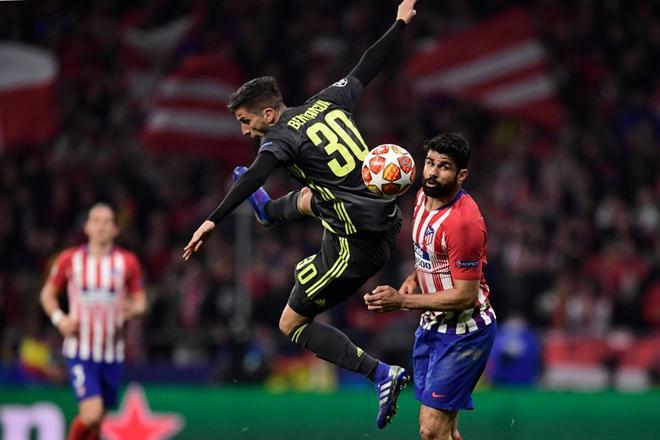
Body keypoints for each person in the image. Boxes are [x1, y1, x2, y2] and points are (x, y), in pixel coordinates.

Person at [183, 0, 419, 429]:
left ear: (269, 114)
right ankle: (271, 214)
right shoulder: (327, 101)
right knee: (314, 193)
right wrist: (400, 22)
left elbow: (255, 174)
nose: (244, 130)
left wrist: (213, 219)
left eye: (245, 120)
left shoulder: (279, 139)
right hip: (374, 211)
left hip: (357, 243)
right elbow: (368, 65)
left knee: (290, 322)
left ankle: (380, 373)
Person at [364, 133, 497, 440]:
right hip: (432, 327)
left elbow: (465, 297)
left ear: (461, 174)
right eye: (430, 163)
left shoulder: (463, 223)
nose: (433, 173)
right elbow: (429, 252)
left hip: (465, 333)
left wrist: (400, 302)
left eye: (444, 167)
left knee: (431, 430)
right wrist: (413, 278)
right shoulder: (423, 197)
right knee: (444, 431)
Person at [40, 203, 148, 440]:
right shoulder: (70, 260)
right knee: (91, 414)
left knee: (97, 422)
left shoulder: (127, 262)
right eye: (96, 220)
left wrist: (133, 310)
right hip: (81, 350)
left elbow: (142, 303)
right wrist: (60, 319)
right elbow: (47, 294)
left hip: (112, 353)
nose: (101, 226)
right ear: (87, 227)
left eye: (107, 221)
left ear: (115, 229)